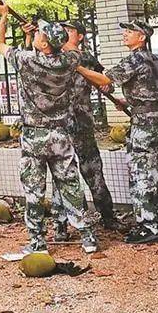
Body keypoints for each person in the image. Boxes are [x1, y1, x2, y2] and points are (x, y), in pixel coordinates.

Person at [0, 0, 98, 254]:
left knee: (34, 191)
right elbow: (68, 47)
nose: (38, 34)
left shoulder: (28, 61)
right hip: (60, 135)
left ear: (44, 43)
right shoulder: (70, 61)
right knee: (70, 185)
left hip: (34, 137)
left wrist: (4, 16)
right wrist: (33, 38)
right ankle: (87, 237)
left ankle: (37, 241)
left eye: (40, 34)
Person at [77, 20, 158, 244]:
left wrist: (77, 67)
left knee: (142, 172)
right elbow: (151, 91)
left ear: (142, 37)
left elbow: (105, 79)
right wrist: (127, 101)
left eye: (130, 32)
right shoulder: (154, 61)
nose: (125, 34)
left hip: (144, 124)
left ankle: (149, 225)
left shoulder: (135, 59)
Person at [51, 20, 117, 241]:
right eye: (62, 31)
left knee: (93, 170)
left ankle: (108, 217)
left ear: (80, 36)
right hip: (59, 123)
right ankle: (61, 225)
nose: (64, 34)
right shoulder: (55, 55)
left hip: (82, 122)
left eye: (70, 31)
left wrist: (108, 87)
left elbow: (106, 80)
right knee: (61, 174)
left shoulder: (86, 57)